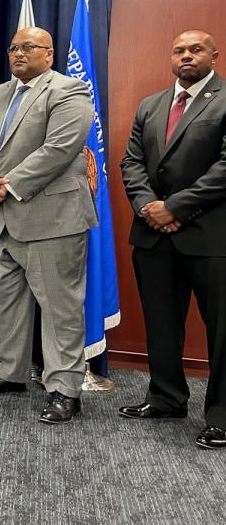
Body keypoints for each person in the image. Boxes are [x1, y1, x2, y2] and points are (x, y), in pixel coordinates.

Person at [0, 26, 96, 423]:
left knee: (60, 309)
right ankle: (10, 373)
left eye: (29, 47)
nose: (18, 53)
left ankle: (65, 389)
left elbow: (59, 149)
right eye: (14, 47)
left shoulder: (70, 90)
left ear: (49, 54)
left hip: (51, 218)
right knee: (6, 302)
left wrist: (7, 186)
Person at [119, 29, 226, 450]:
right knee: (161, 323)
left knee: (221, 331)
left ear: (214, 56)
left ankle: (220, 415)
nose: (186, 55)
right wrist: (150, 207)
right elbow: (131, 162)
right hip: (153, 235)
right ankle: (165, 398)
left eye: (195, 49)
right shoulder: (152, 104)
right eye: (179, 50)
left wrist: (175, 207)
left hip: (210, 236)